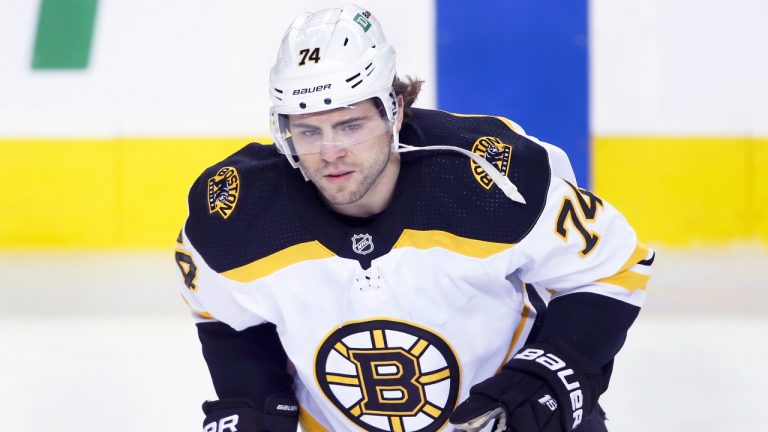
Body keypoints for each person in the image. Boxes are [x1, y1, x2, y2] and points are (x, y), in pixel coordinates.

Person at [174, 5, 653, 432]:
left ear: (395, 111)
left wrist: (545, 377)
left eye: (351, 125)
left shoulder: (486, 179)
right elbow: (224, 315)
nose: (330, 152)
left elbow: (611, 266)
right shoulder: (235, 216)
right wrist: (253, 402)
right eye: (307, 130)